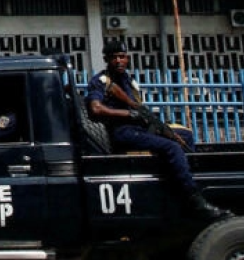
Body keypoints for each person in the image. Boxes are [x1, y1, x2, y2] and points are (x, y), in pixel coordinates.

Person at [86, 39, 230, 221]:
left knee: (184, 136)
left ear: (128, 58)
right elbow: (96, 108)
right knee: (172, 147)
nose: (119, 61)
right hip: (123, 132)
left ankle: (186, 180)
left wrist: (148, 120)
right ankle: (193, 200)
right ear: (106, 59)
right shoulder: (101, 82)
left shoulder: (128, 81)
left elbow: (139, 109)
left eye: (122, 57)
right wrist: (128, 114)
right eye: (114, 57)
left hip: (141, 128)